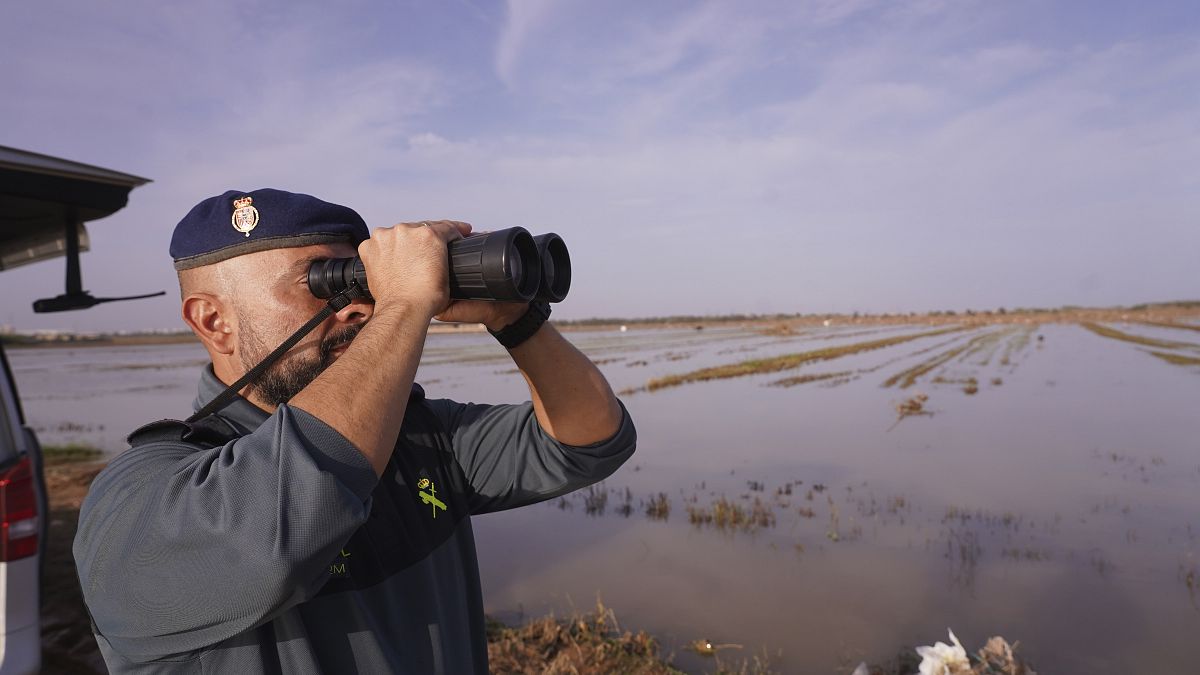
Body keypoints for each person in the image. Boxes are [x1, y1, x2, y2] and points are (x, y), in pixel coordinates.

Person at [73, 189, 636, 674]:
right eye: (323, 284)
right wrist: (407, 301)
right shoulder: (139, 500)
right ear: (214, 321)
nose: (360, 308)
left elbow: (589, 442)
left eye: (362, 283)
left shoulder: (417, 438)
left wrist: (519, 322)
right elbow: (283, 530)